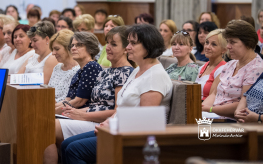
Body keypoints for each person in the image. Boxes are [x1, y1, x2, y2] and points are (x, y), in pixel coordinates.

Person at [60, 24, 173, 164]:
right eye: (128, 43)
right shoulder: (138, 71)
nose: (128, 47)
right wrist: (107, 122)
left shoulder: (154, 76)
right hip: (117, 129)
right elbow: (120, 108)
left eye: (133, 43)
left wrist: (112, 126)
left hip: (132, 137)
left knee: (73, 150)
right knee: (66, 145)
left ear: (148, 46)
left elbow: (144, 121)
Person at [44, 26, 134, 164]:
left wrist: (82, 114)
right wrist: (76, 112)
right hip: (89, 117)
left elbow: (117, 112)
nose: (107, 47)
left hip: (100, 123)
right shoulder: (106, 71)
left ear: (126, 49)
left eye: (113, 44)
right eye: (107, 43)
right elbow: (94, 104)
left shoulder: (125, 72)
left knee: (46, 127)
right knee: (49, 129)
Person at [202, 20, 263, 119]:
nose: (228, 46)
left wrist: (210, 110)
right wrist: (202, 108)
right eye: (228, 41)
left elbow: (244, 104)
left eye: (232, 42)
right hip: (213, 115)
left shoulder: (257, 68)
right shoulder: (230, 64)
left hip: (230, 120)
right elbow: (215, 93)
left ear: (248, 43)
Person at [54, 32, 102, 113]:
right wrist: (49, 108)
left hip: (86, 114)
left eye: (79, 45)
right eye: (72, 45)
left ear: (90, 48)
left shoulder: (91, 66)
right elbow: (67, 100)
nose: (73, 48)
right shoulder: (80, 71)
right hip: (73, 112)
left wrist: (50, 112)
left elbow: (79, 101)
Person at [48, 30, 80, 102]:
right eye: (53, 49)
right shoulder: (57, 67)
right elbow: (49, 93)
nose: (53, 53)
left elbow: (69, 100)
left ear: (68, 48)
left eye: (57, 49)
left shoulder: (78, 70)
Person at [195, 29, 227, 100]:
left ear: (224, 50)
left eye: (213, 44)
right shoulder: (202, 67)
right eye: (207, 43)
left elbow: (213, 99)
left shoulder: (224, 69)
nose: (207, 47)